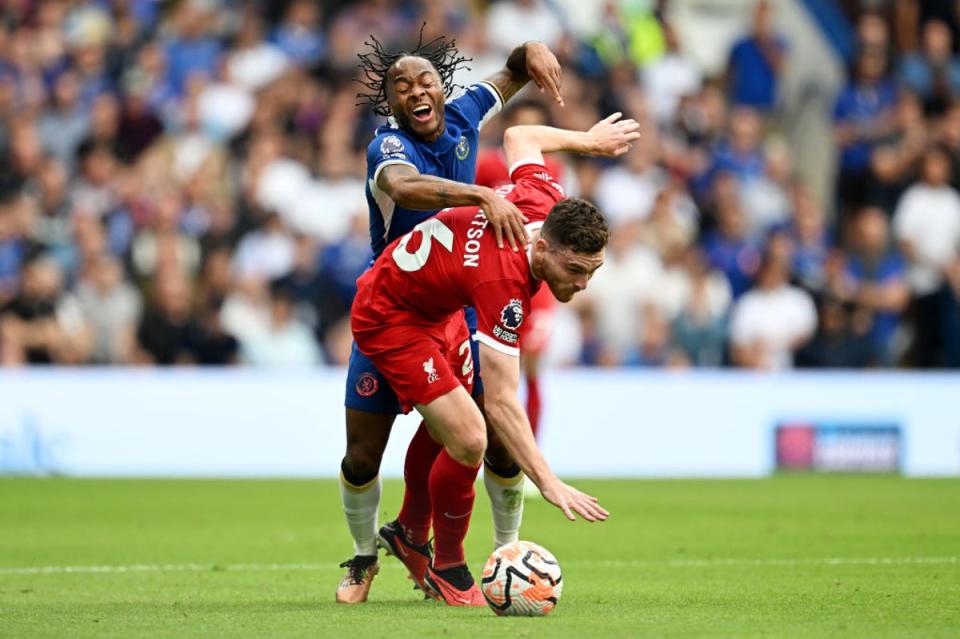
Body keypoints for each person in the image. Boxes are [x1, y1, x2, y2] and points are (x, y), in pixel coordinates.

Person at [352, 113, 638, 605]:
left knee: (457, 421)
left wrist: (586, 142)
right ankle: (448, 567)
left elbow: (520, 136)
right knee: (470, 435)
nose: (582, 284)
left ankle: (408, 531)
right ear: (543, 248)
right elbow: (505, 401)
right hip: (392, 316)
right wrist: (548, 482)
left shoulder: (543, 202)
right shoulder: (504, 285)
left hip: (437, 309)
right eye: (574, 270)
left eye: (593, 271)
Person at [336, 31, 567, 604]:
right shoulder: (387, 146)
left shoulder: (466, 113)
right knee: (363, 454)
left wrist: (531, 49)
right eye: (401, 86)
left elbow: (510, 73)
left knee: (477, 432)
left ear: (442, 89)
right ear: (389, 101)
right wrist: (480, 196)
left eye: (425, 82)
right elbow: (405, 188)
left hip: (456, 309)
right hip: (391, 309)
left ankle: (435, 543)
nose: (415, 91)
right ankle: (365, 558)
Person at [475, 99, 564, 441]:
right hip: (495, 278)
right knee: (493, 371)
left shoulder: (553, 170)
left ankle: (531, 453)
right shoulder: (486, 166)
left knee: (532, 369)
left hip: (536, 286)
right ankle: (493, 449)